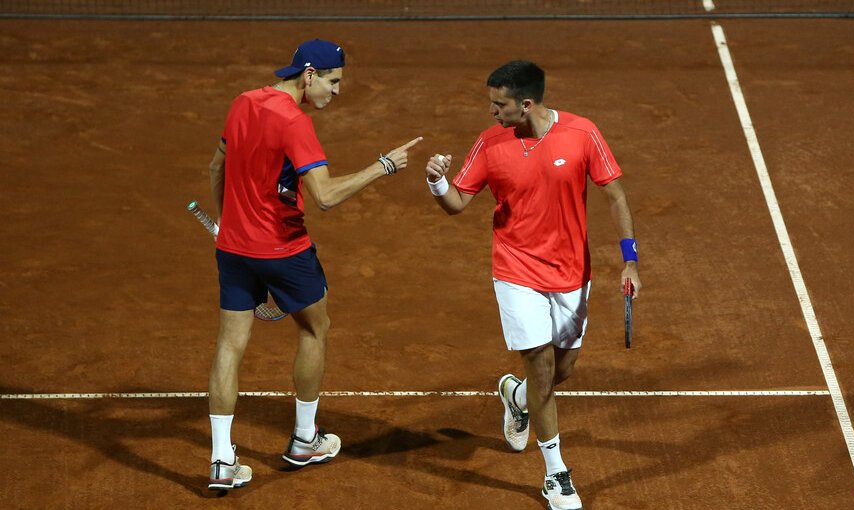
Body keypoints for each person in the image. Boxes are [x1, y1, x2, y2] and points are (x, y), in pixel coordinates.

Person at [205, 38, 422, 491]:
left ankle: (222, 461)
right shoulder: (294, 121)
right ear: (309, 75)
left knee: (230, 345)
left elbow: (215, 168)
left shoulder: (242, 102)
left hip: (234, 250)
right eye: (333, 81)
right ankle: (305, 439)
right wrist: (382, 166)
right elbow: (324, 197)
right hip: (284, 251)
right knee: (314, 328)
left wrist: (227, 221)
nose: (337, 91)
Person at [423, 60, 641, 510]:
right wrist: (436, 181)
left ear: (526, 104)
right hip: (515, 269)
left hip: (570, 273)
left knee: (561, 372)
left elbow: (615, 194)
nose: (491, 111)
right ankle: (556, 474)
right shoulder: (489, 143)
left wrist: (630, 261)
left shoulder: (582, 133)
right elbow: (457, 203)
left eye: (499, 104)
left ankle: (515, 395)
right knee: (541, 367)